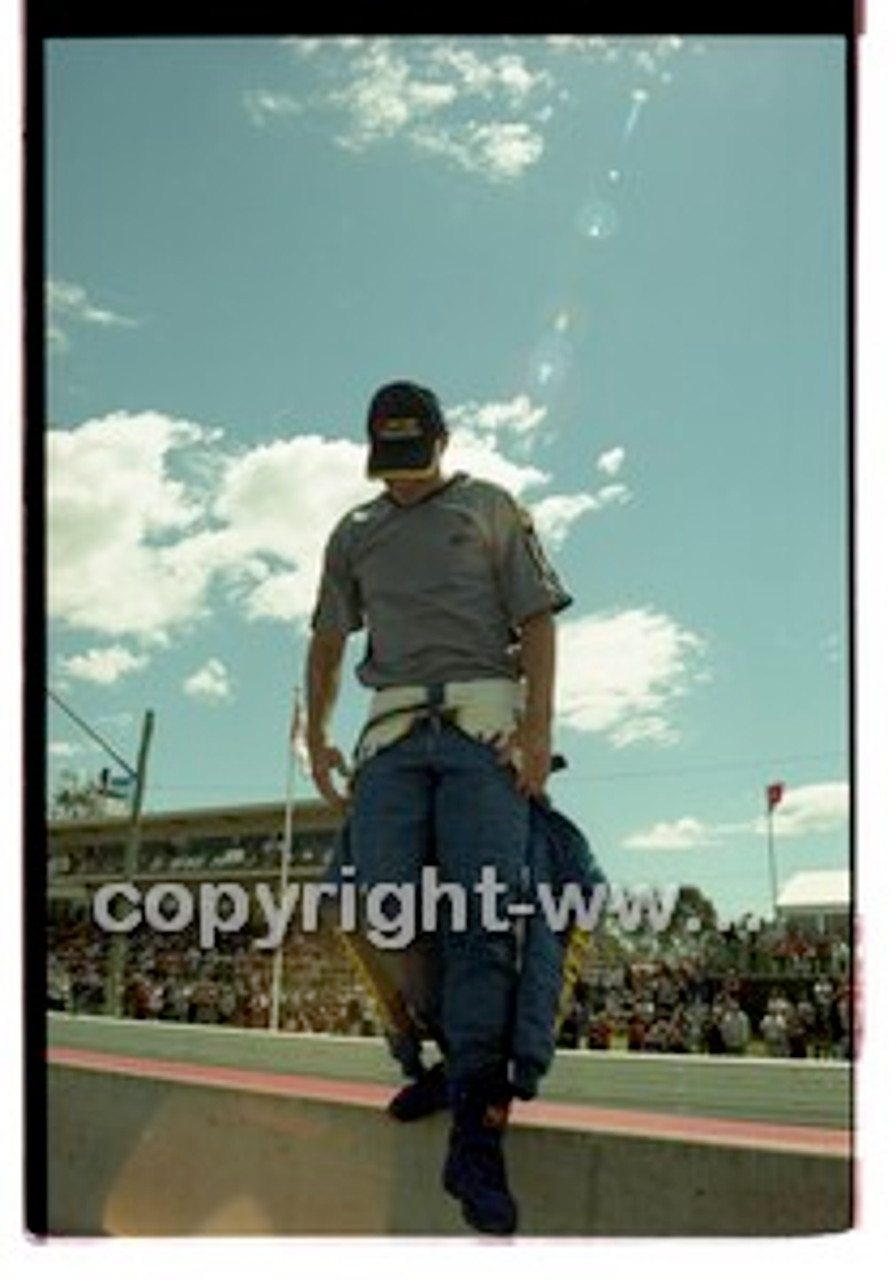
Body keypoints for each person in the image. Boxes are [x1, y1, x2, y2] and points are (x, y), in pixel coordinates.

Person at [304, 380, 572, 1235]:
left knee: (487, 915)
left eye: (416, 459)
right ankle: (445, 1049)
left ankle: (476, 1126)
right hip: (389, 735)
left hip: (482, 727)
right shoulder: (353, 531)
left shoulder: (494, 508)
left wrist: (536, 733)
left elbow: (536, 622)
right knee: (381, 905)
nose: (405, 478)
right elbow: (327, 639)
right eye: (390, 463)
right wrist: (316, 734)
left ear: (444, 442)